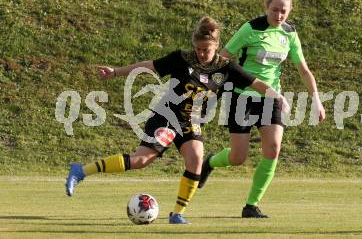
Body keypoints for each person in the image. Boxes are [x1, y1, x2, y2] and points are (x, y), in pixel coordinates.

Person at [65, 16, 289, 224]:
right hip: (167, 116)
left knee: (196, 161)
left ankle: (177, 214)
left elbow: (256, 83)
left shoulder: (226, 67)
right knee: (141, 161)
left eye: (206, 50)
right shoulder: (181, 59)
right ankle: (81, 171)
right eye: (199, 49)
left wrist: (277, 96)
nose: (201, 53)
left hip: (191, 123)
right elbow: (148, 66)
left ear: (216, 46)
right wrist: (115, 72)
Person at [197, 0, 326, 218]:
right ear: (266, 6)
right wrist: (210, 92)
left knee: (273, 148)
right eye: (275, 9)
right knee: (238, 158)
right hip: (242, 97)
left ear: (290, 11)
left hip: (271, 99)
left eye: (283, 11)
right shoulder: (250, 29)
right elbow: (223, 58)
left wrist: (316, 100)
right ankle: (211, 162)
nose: (279, 15)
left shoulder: (290, 33)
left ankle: (251, 206)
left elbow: (303, 70)